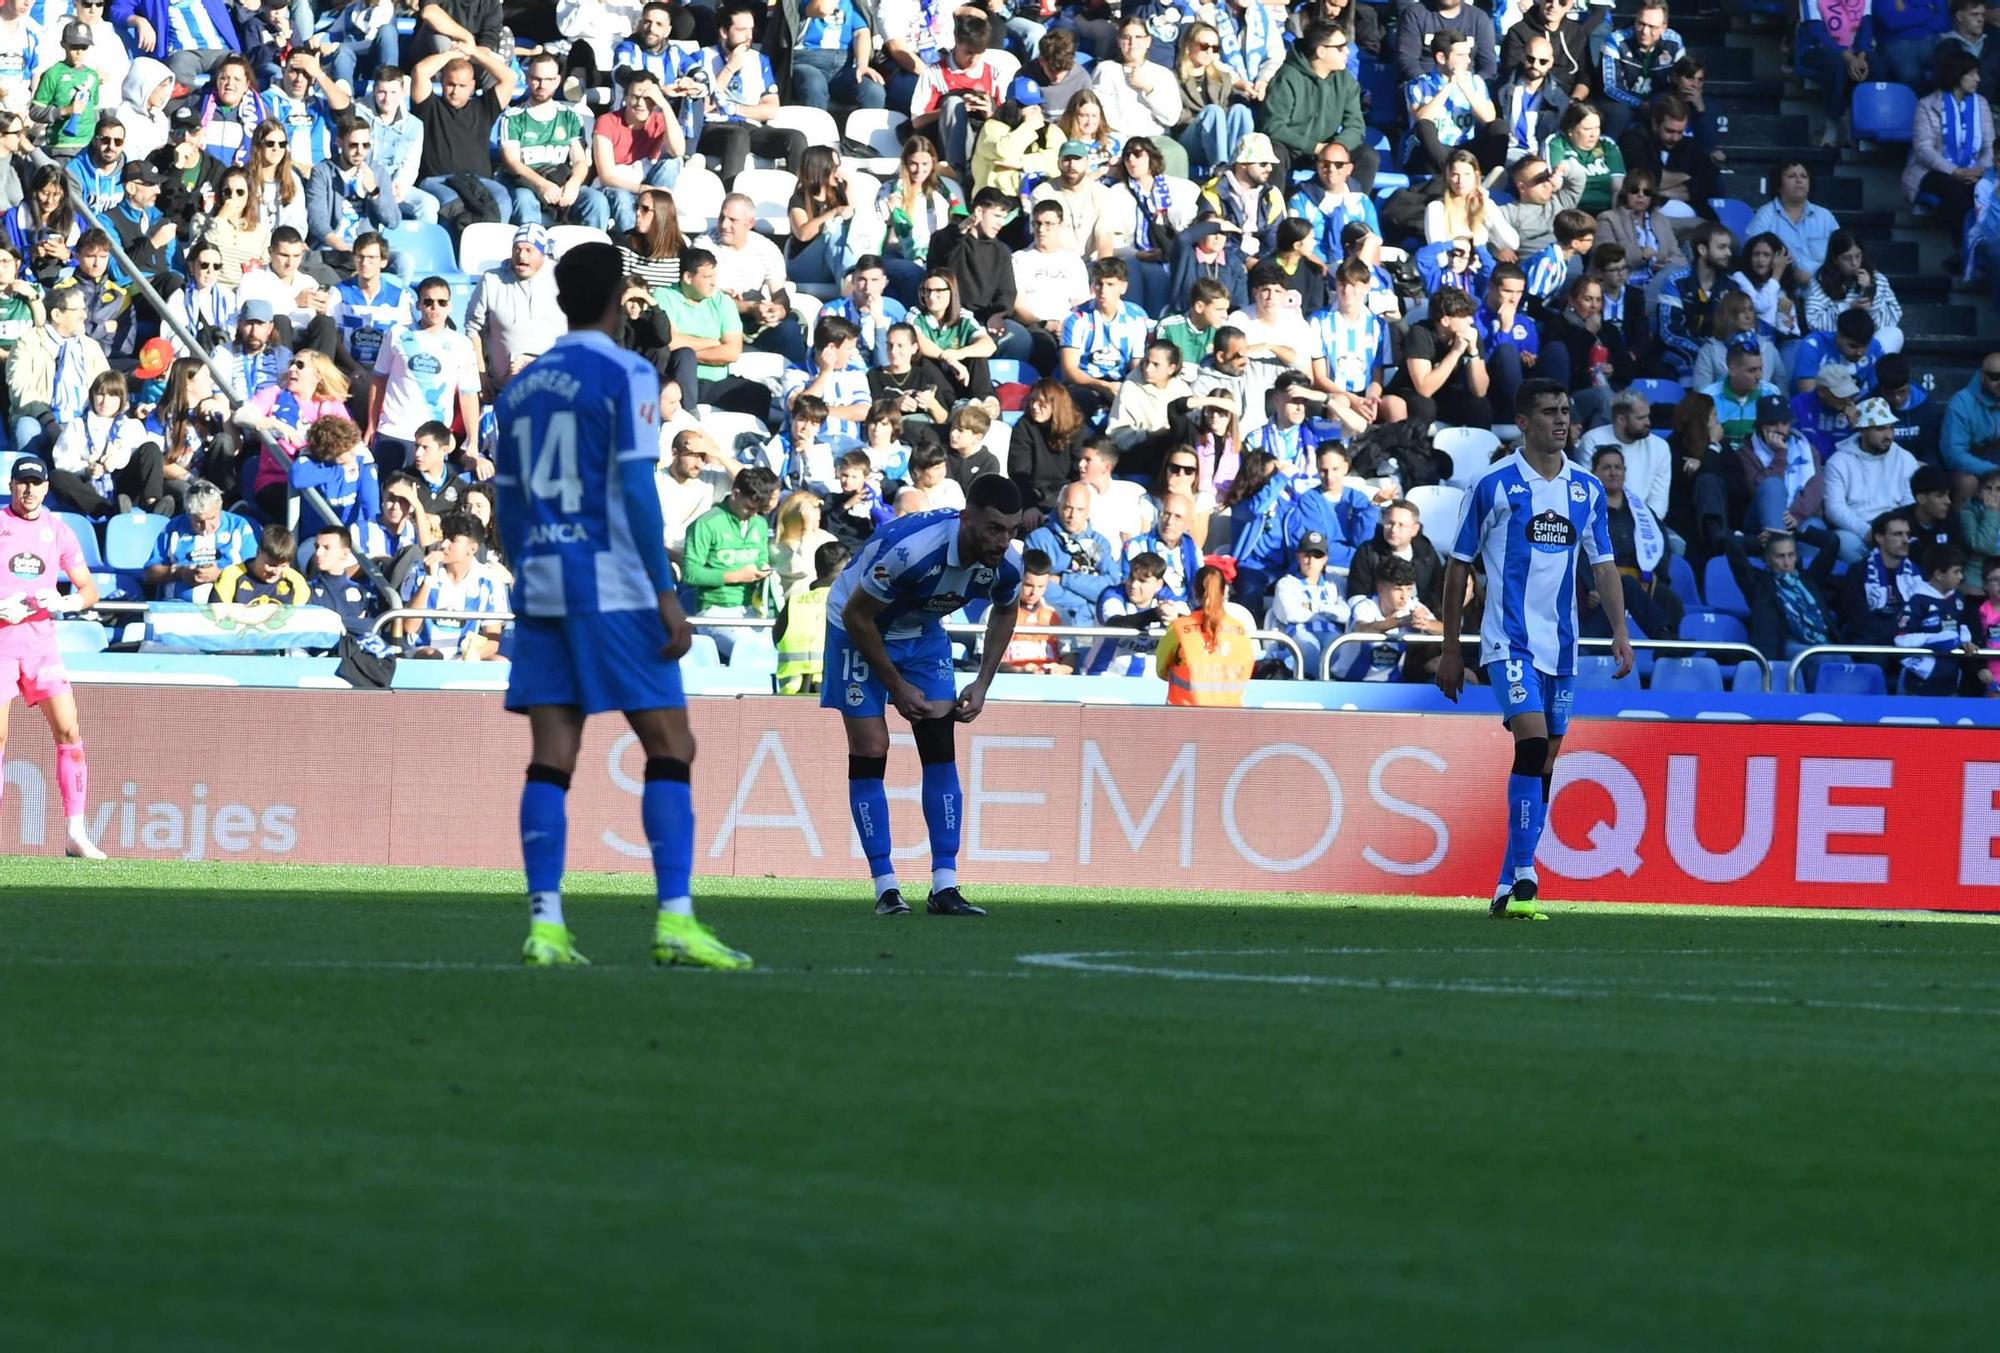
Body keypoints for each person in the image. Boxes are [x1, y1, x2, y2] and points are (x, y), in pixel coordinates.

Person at [494, 239, 749, 970]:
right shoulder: (629, 373)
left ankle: (545, 926)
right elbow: (637, 490)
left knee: (551, 757)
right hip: (613, 583)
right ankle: (674, 919)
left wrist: (524, 571)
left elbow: (508, 501)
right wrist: (666, 594)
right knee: (672, 745)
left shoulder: (521, 387)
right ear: (618, 299)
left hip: (542, 579)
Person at [1437, 378, 1633, 920]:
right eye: (1549, 412)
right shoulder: (1493, 485)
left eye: (1566, 411)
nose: (1561, 420)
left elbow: (1602, 566)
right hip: (1508, 642)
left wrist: (1619, 630)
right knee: (1531, 744)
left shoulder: (1587, 489)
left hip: (1563, 648)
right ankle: (1527, 870)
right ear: (1523, 422)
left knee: (1545, 761)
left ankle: (1506, 887)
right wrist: (1452, 649)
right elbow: (1458, 568)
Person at [825, 475, 1025, 917]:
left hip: (921, 632)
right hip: (856, 628)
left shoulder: (1007, 562)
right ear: (966, 518)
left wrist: (983, 682)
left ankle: (944, 886)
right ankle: (885, 887)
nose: (1003, 540)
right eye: (994, 528)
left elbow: (1007, 609)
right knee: (872, 747)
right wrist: (895, 685)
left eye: (1012, 530)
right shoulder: (913, 551)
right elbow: (858, 615)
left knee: (939, 745)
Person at [0, 458, 104, 859]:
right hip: (2, 646)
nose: (29, 491)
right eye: (23, 484)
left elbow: (89, 589)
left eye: (36, 484)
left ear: (46, 488)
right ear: (12, 486)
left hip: (41, 645)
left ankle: (76, 833)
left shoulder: (58, 531)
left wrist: (66, 601)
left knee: (69, 731)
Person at [410, 40, 519, 227]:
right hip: (438, 181)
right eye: (450, 84)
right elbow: (420, 71)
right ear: (442, 82)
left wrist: (474, 52)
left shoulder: (484, 107)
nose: (455, 91)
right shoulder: (429, 107)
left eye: (462, 85)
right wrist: (451, 54)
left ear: (472, 85)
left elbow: (509, 78)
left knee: (502, 201)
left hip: (480, 182)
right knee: (455, 207)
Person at [1823, 398, 1922, 562]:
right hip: (1858, 532)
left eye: (1891, 428)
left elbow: (1910, 504)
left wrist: (1893, 532)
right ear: (1862, 430)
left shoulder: (1904, 459)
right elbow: (1834, 509)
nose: (1889, 435)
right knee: (1843, 541)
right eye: (1880, 429)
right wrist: (1867, 532)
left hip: (1897, 530)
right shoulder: (1838, 462)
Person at [1154, 562, 1253, 704]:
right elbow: (1246, 673)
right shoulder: (1240, 629)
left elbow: (1161, 670)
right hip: (1230, 720)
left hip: (1184, 719)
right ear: (1224, 591)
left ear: (1195, 591)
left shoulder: (1179, 628)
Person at [1836, 507, 1922, 649]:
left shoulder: (1919, 573)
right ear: (1879, 538)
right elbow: (1858, 618)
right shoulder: (1858, 571)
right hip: (1871, 642)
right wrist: (1896, 633)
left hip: (1910, 641)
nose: (1905, 540)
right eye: (1897, 534)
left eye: (1907, 534)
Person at [1895, 545, 1972, 696]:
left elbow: (1962, 625)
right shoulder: (1918, 600)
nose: (1961, 577)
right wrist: (1933, 639)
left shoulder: (1958, 598)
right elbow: (1901, 639)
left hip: (1951, 680)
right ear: (1939, 574)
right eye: (1956, 572)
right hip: (1918, 684)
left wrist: (1966, 640)